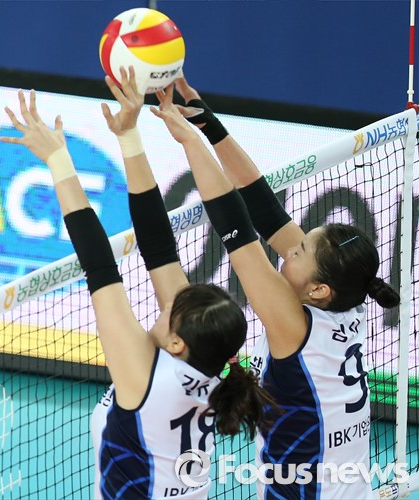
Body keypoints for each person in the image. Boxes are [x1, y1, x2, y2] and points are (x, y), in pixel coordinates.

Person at [0, 69, 276, 500]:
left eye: (170, 310)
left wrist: (57, 160)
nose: (163, 305)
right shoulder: (208, 369)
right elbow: (159, 246)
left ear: (177, 341)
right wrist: (129, 135)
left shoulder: (144, 378)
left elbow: (99, 265)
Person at [150, 77, 401, 499]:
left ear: (318, 290)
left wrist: (190, 142)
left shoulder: (294, 327)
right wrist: (208, 125)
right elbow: (265, 210)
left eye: (299, 250)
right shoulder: (349, 296)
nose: (289, 248)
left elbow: (235, 225)